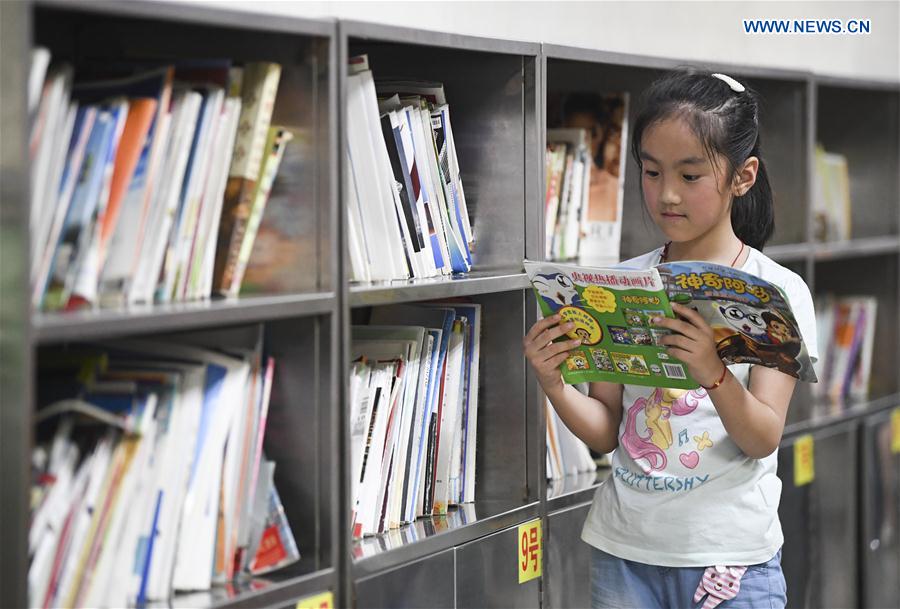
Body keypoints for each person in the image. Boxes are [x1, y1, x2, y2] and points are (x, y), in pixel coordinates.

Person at [524, 70, 819, 609]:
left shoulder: (776, 293)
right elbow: (608, 433)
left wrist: (713, 372)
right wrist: (555, 384)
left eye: (689, 175)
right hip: (625, 554)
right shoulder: (620, 284)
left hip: (730, 559)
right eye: (652, 172)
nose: (667, 194)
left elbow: (762, 439)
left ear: (743, 176)